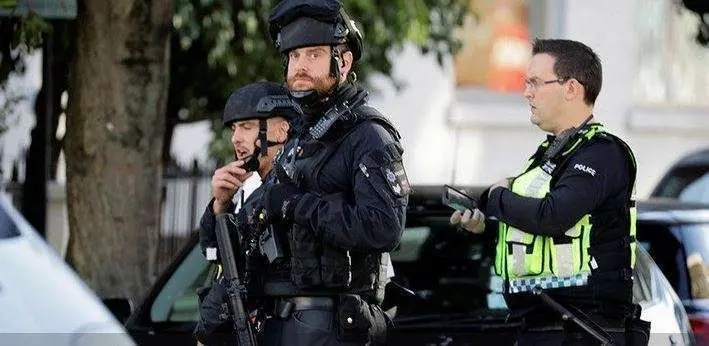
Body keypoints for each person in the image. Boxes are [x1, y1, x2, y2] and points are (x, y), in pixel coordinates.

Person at [450, 39, 650, 345]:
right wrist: (485, 225)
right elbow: (539, 240)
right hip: (541, 323)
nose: (527, 92)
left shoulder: (602, 154)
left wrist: (495, 198)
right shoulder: (552, 154)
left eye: (535, 82)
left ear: (571, 88)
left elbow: (552, 216)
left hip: (585, 328)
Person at [245, 0, 410, 345]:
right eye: (294, 57)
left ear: (344, 61)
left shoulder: (368, 136)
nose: (299, 66)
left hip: (333, 322)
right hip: (281, 318)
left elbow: (384, 228)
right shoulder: (302, 138)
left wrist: (297, 206)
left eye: (314, 54)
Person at [194, 80, 301, 345]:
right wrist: (219, 205)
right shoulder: (251, 189)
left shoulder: (297, 184)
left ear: (281, 129)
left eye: (246, 126)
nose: (235, 138)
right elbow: (217, 255)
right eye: (234, 128)